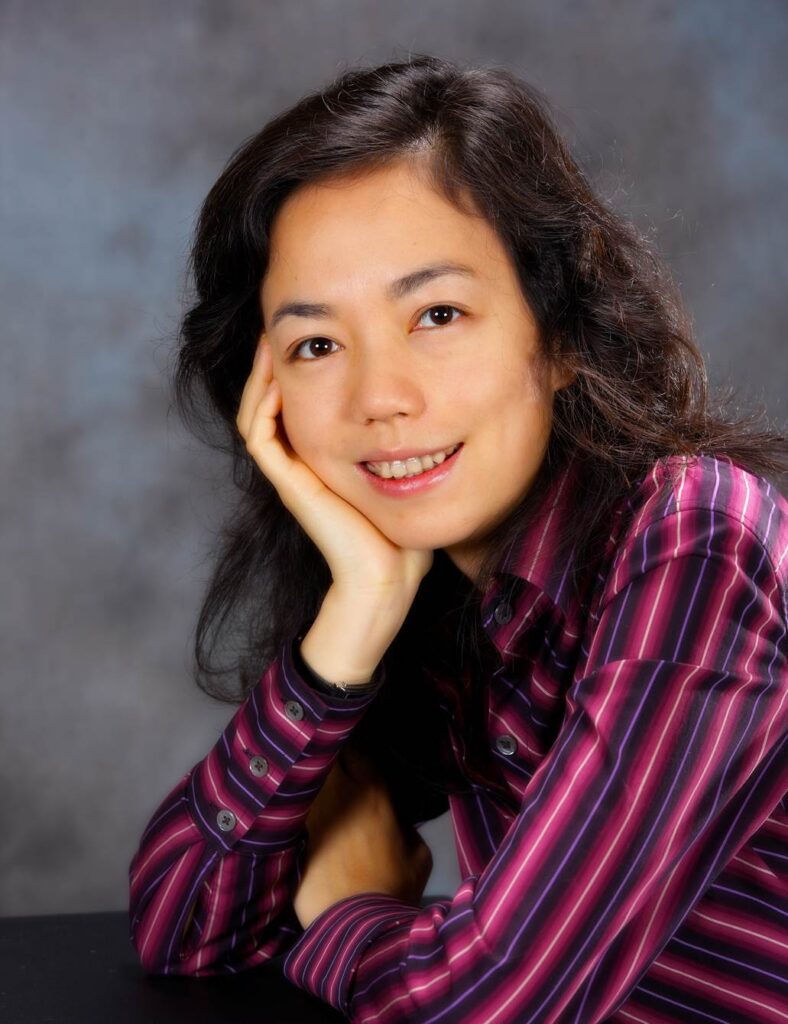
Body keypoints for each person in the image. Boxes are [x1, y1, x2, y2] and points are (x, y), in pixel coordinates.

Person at [128, 53, 787, 1023]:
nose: (378, 399)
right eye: (315, 344)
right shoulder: (432, 599)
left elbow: (488, 1001)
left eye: (436, 314)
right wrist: (345, 631)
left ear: (560, 337)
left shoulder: (695, 543)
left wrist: (345, 914)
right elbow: (180, 935)